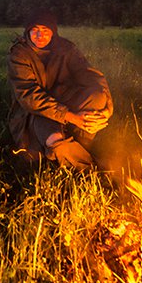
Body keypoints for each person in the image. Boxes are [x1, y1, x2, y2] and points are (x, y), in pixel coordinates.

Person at [6, 10, 114, 170]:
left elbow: (90, 76)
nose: (39, 35)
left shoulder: (66, 48)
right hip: (36, 114)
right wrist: (73, 118)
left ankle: (78, 149)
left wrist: (107, 110)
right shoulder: (19, 54)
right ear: (28, 31)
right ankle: (96, 171)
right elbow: (29, 96)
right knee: (55, 141)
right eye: (35, 30)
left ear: (53, 32)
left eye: (45, 30)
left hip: (65, 100)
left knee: (97, 96)